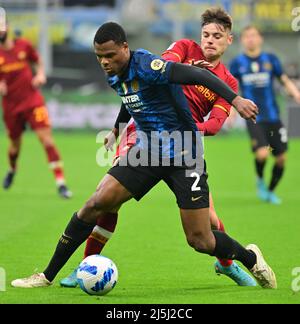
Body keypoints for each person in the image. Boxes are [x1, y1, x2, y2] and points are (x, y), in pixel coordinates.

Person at [11, 22, 276, 290]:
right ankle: (46, 276)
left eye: (110, 55)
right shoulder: (114, 73)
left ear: (125, 48)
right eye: (99, 56)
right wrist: (117, 128)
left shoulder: (149, 67)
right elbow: (131, 100)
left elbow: (198, 76)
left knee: (200, 239)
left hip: (184, 153)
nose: (104, 62)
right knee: (96, 203)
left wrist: (236, 100)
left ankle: (250, 258)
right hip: (147, 153)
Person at [229, 25, 300, 205]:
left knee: (281, 158)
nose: (250, 39)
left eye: (254, 35)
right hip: (253, 117)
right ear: (242, 40)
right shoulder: (237, 63)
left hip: (274, 117)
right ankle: (260, 180)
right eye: (247, 36)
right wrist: (230, 112)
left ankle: (270, 191)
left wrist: (297, 95)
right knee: (262, 154)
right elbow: (231, 89)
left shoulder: (271, 59)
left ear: (260, 38)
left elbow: (284, 80)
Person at [0, 25, 72, 199]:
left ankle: (61, 183)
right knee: (15, 147)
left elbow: (38, 61)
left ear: (7, 27)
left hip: (33, 102)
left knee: (47, 140)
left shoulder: (24, 45)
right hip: (11, 106)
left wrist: (40, 74)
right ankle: (12, 169)